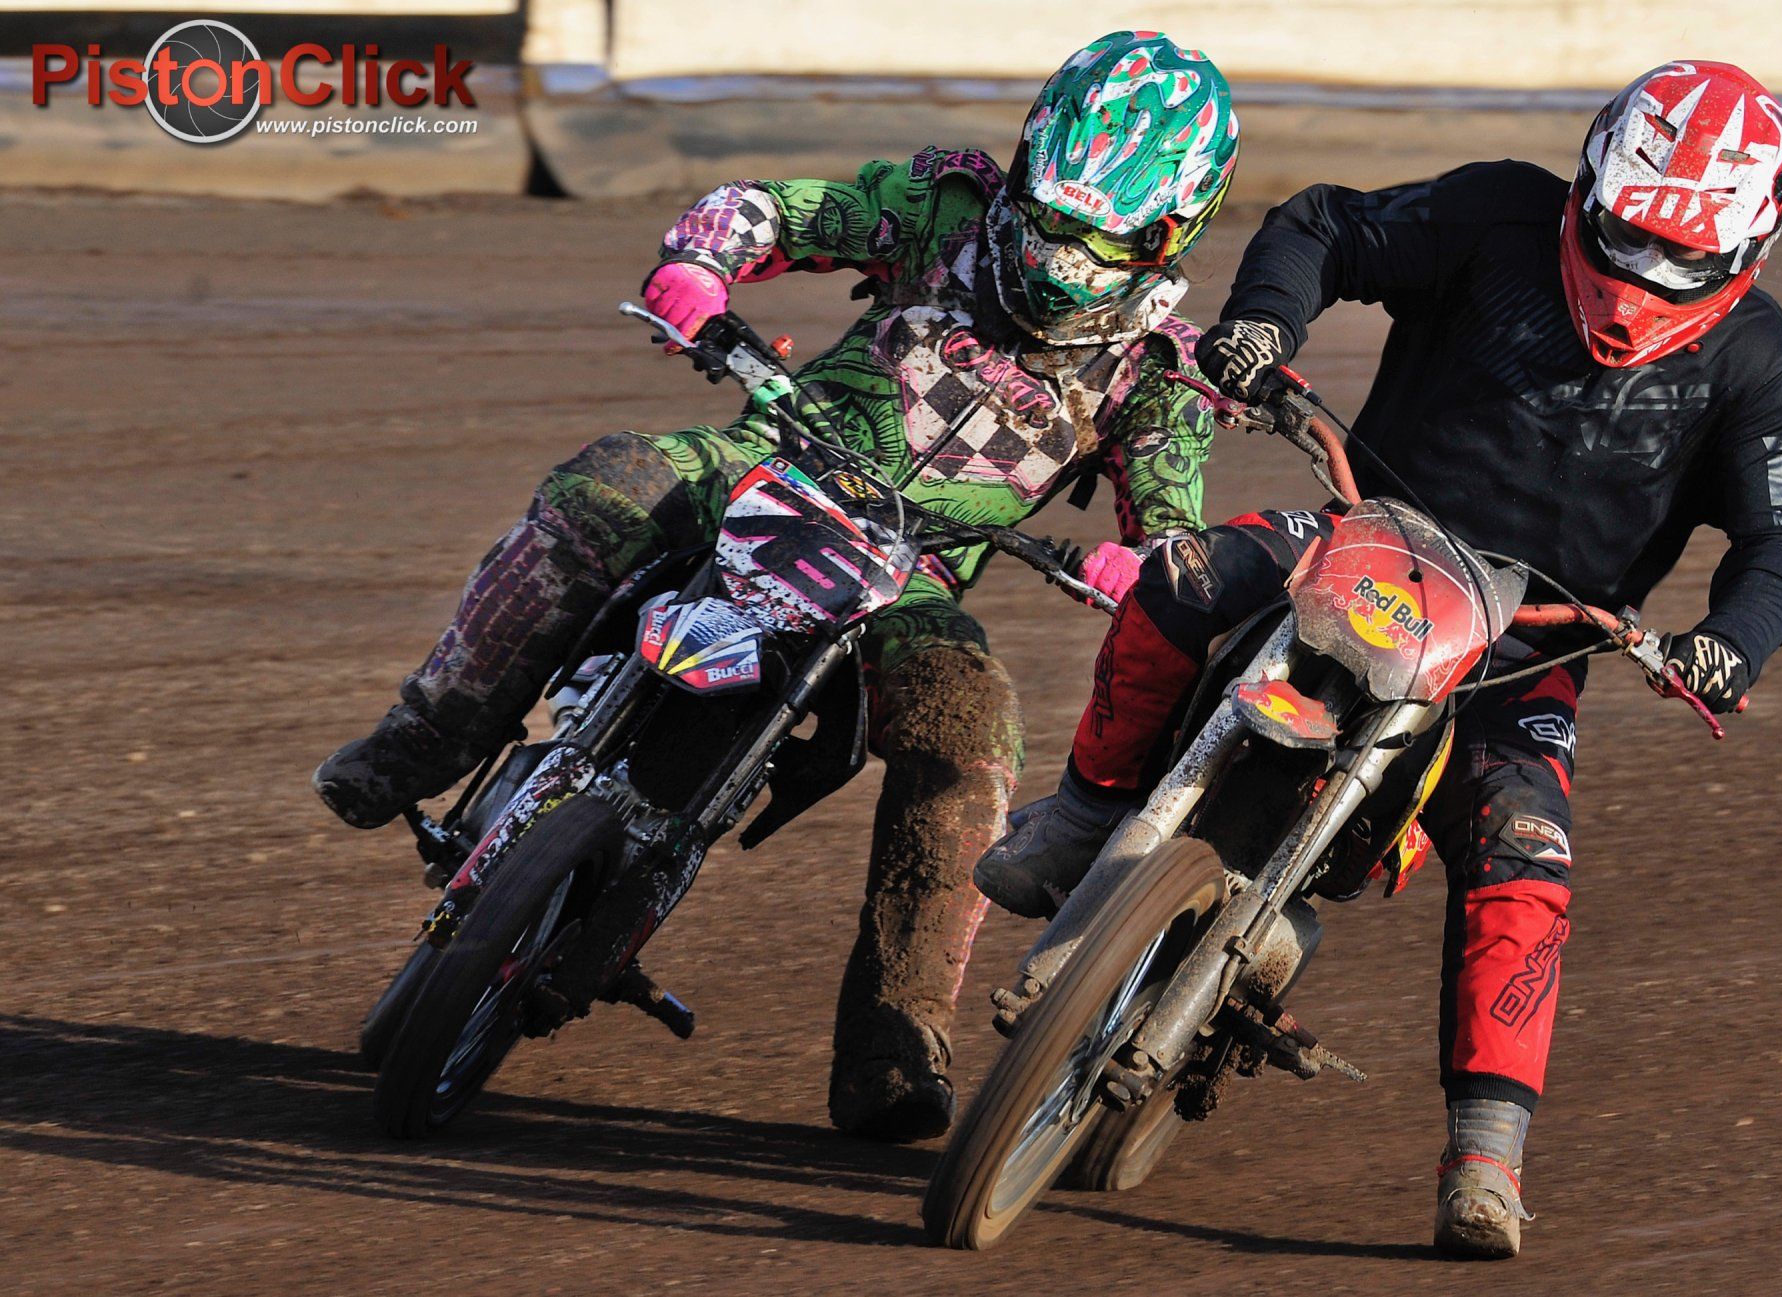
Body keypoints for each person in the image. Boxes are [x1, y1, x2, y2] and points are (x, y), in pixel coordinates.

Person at [974, 60, 1782, 1252]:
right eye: (1627, 232)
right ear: (1589, 184)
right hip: (1365, 531)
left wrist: (1730, 644)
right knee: (1181, 578)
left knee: (1527, 857)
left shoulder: (1759, 360)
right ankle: (1081, 818)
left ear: (1751, 241)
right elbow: (1325, 224)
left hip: (1529, 643)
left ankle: (1486, 1157)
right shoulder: (1497, 214)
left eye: (1680, 255)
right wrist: (1265, 322)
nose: (1643, 272)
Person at [314, 31, 1239, 1143]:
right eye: (1047, 214)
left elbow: (1174, 530)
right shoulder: (943, 211)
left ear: (1170, 231)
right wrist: (703, 263)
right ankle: (423, 737)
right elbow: (780, 210)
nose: (1059, 251)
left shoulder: (1160, 378)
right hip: (765, 460)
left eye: (1096, 235)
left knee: (973, 731)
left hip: (912, 576)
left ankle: (895, 1041)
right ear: (1025, 169)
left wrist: (1142, 565)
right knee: (608, 482)